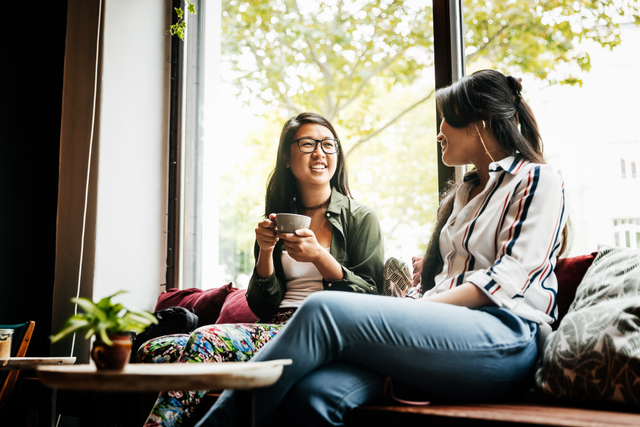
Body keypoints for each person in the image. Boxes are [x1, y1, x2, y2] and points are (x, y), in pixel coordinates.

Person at [194, 69, 569, 427]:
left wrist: (409, 311)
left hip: (506, 340)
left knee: (324, 308)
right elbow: (442, 282)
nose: (439, 132)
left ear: (479, 123)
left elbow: (507, 281)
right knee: (311, 396)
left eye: (446, 120)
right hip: (446, 336)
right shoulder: (464, 196)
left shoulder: (538, 180)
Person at [141, 112, 385, 427]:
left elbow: (372, 293)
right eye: (308, 143)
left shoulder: (360, 217)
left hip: (315, 331)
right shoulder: (279, 219)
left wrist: (319, 257)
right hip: (271, 326)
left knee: (205, 340)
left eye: (328, 144)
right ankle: (231, 368)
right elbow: (262, 305)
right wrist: (266, 252)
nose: (320, 153)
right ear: (286, 157)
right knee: (153, 349)